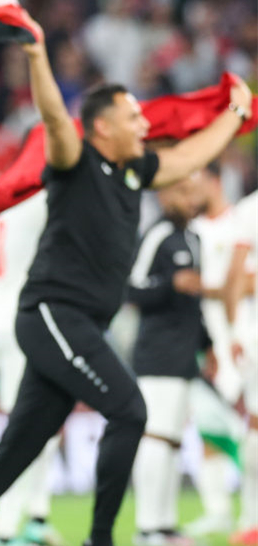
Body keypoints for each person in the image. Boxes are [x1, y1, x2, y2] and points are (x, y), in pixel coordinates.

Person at [0, 13, 253, 546]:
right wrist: (36, 58)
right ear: (102, 128)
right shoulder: (75, 161)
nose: (143, 125)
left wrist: (234, 115)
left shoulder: (134, 171)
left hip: (79, 322)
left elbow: (190, 154)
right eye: (133, 117)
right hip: (53, 314)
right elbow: (54, 119)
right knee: (129, 410)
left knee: (19, 447)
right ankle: (100, 539)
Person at [0, 189, 63, 546]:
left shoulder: (5, 200)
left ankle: (37, 516)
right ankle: (5, 531)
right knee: (26, 429)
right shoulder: (40, 198)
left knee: (47, 419)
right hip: (21, 316)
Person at [127, 171, 206, 545]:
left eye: (194, 193)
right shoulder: (156, 235)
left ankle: (166, 524)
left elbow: (196, 305)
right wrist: (170, 284)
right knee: (156, 438)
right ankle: (147, 528)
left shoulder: (194, 238)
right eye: (183, 192)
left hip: (185, 353)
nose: (191, 201)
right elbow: (132, 287)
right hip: (157, 353)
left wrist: (207, 346)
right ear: (164, 196)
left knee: (173, 441)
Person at [186, 164, 244, 537]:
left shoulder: (242, 223)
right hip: (203, 340)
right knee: (208, 424)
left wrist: (206, 286)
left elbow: (247, 281)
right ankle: (217, 509)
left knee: (245, 424)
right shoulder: (192, 230)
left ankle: (249, 512)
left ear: (216, 182)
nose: (191, 191)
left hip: (241, 336)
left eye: (197, 182)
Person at [224, 190, 258, 546]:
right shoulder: (250, 209)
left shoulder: (249, 208)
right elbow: (236, 274)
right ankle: (251, 520)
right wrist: (236, 330)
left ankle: (251, 521)